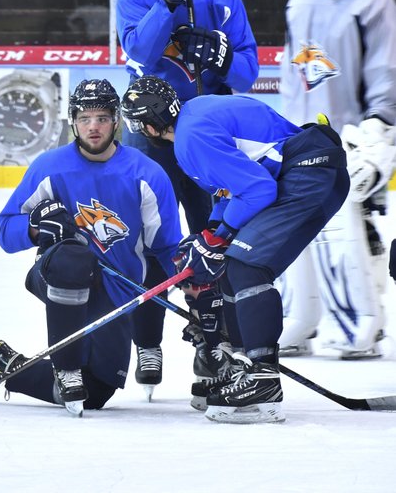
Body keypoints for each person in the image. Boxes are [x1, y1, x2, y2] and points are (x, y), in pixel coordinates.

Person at [121, 76, 349, 423]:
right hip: (310, 169)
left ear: (149, 126)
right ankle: (244, 364)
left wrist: (220, 236)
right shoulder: (196, 114)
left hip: (307, 172)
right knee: (231, 264)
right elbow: (232, 189)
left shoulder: (189, 140)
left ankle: (262, 378)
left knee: (246, 264)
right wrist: (212, 233)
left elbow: (258, 189)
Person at [0, 79, 182, 417]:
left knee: (95, 393)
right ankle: (65, 366)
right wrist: (36, 228)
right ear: (73, 122)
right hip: (59, 276)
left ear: (116, 121)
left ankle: (5, 364)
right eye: (84, 118)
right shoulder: (50, 167)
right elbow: (5, 232)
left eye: (101, 117)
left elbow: (167, 249)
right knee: (73, 257)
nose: (93, 127)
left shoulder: (147, 174)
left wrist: (197, 291)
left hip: (116, 289)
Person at [115, 0, 260, 394]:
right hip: (148, 135)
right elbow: (141, 52)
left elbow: (247, 71)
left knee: (214, 235)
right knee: (149, 238)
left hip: (205, 136)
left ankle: (213, 347)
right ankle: (147, 342)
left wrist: (222, 57)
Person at [278, 0, 396, 360]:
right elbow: (292, 76)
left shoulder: (376, 1)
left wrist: (379, 129)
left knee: (342, 234)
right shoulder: (299, 2)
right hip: (301, 136)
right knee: (293, 233)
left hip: (352, 136)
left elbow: (384, 68)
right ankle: (297, 321)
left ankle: (358, 328)